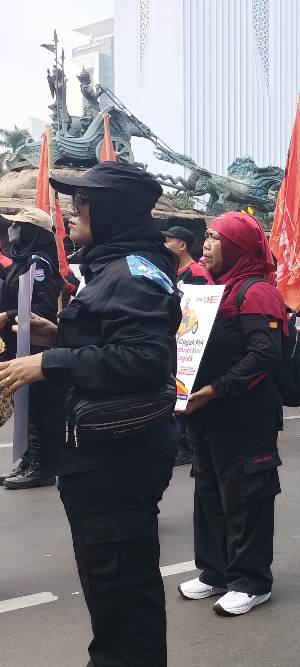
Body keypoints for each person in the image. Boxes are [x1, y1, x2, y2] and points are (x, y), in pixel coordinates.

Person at [0, 162, 182, 665]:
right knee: (111, 589)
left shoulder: (134, 273)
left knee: (121, 592)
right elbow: (115, 340)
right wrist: (57, 335)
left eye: (81, 205)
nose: (71, 214)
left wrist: (48, 362)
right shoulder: (114, 266)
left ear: (111, 212)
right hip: (99, 454)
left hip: (116, 460)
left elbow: (145, 360)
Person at [176, 211, 284, 617]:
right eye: (205, 236)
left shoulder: (256, 292)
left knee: (246, 496)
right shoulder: (207, 290)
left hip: (245, 415)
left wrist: (215, 389)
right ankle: (215, 572)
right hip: (205, 415)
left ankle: (251, 581)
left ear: (237, 246)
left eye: (214, 238)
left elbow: (264, 355)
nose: (204, 244)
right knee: (209, 494)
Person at [0, 207, 62, 489]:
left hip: (36, 342)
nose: (14, 230)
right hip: (18, 342)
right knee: (25, 405)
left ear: (33, 231)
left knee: (38, 405)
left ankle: (42, 464)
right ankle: (28, 459)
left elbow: (42, 307)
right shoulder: (20, 260)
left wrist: (7, 315)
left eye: (20, 226)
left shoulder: (40, 262)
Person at [163, 224, 212, 467]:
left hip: (192, 342)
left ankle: (187, 446)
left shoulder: (198, 274)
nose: (165, 245)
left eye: (169, 241)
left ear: (182, 245)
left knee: (187, 392)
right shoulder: (172, 273)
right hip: (175, 341)